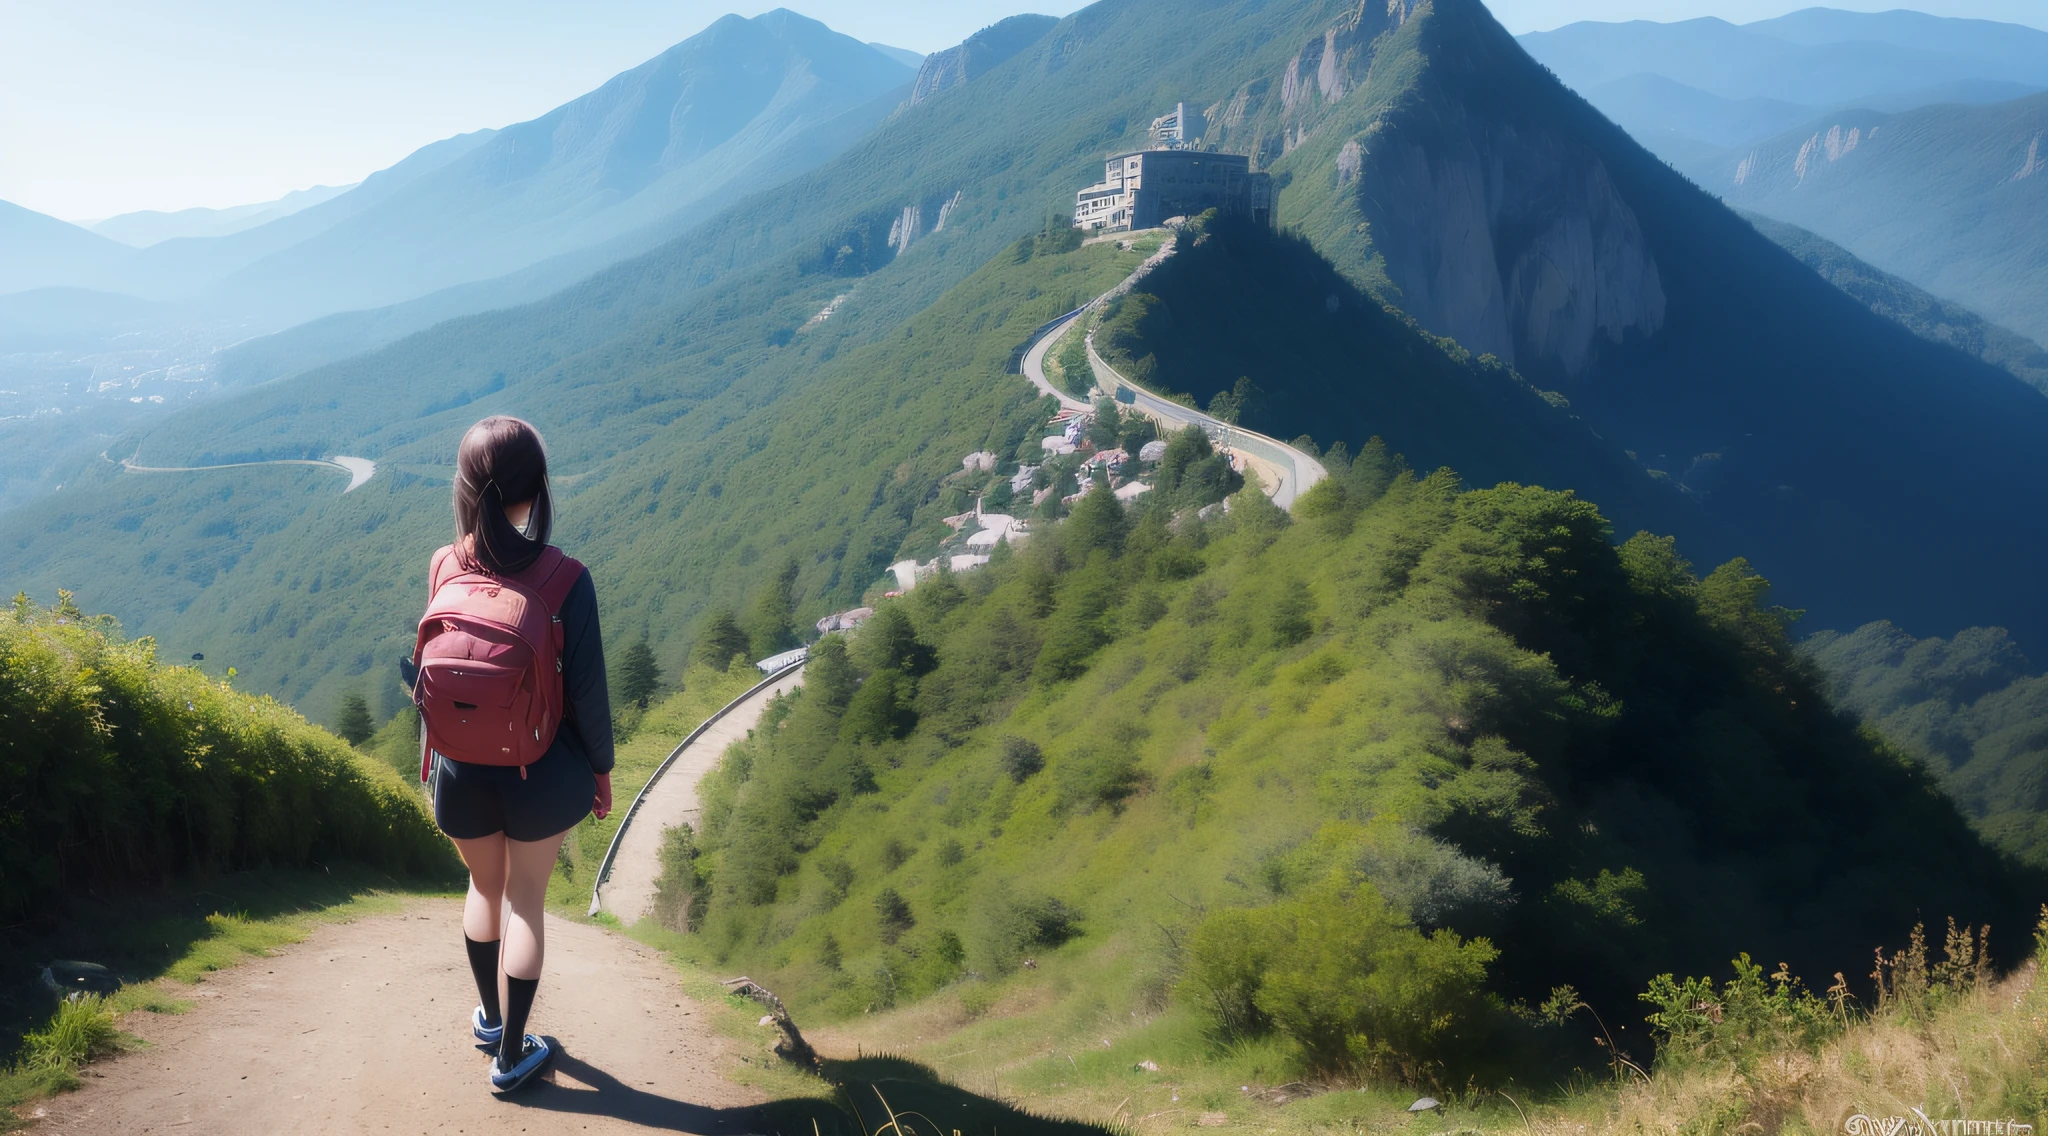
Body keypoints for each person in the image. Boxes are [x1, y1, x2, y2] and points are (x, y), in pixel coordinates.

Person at [408, 415, 614, 1094]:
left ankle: (491, 1021)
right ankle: (513, 1055)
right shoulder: (565, 579)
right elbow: (587, 694)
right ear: (538, 490)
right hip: (537, 773)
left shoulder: (444, 564)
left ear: (465, 487)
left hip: (461, 774)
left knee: (482, 888)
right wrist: (601, 773)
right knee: (526, 902)